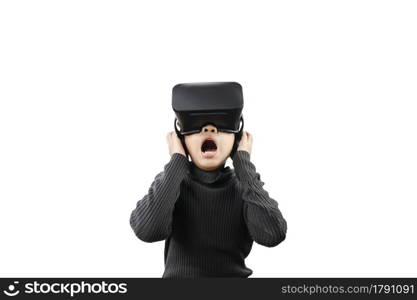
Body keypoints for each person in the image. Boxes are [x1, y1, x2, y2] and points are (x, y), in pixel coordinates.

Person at [129, 121, 288, 278]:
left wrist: (243, 163)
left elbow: (273, 235)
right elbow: (147, 231)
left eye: (221, 123)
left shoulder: (246, 187)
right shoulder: (172, 183)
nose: (209, 128)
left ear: (236, 139)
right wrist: (177, 160)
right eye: (197, 124)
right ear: (182, 139)